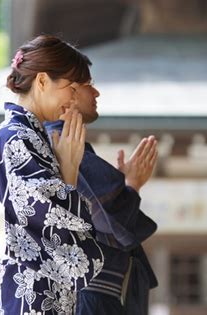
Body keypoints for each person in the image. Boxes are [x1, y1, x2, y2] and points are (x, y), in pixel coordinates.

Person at [0, 35, 105, 314]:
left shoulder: (28, 136)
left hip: (41, 291)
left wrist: (66, 172)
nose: (74, 99)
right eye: (71, 88)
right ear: (42, 81)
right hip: (30, 292)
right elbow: (43, 216)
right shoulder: (15, 137)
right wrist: (69, 171)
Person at [44, 77, 159, 314]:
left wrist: (124, 185)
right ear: (68, 94)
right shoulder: (62, 145)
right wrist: (132, 185)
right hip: (92, 295)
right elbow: (118, 226)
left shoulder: (59, 145)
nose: (96, 92)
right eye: (88, 84)